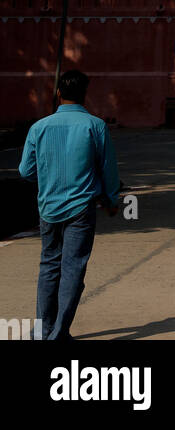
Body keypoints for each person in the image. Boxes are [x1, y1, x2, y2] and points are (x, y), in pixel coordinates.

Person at [18, 68, 121, 341]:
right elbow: (108, 170)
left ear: (59, 93)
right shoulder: (95, 126)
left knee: (49, 265)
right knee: (73, 268)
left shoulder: (39, 127)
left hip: (48, 208)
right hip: (81, 208)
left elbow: (25, 171)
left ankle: (42, 331)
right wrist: (111, 200)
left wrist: (48, 177)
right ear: (84, 94)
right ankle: (59, 333)